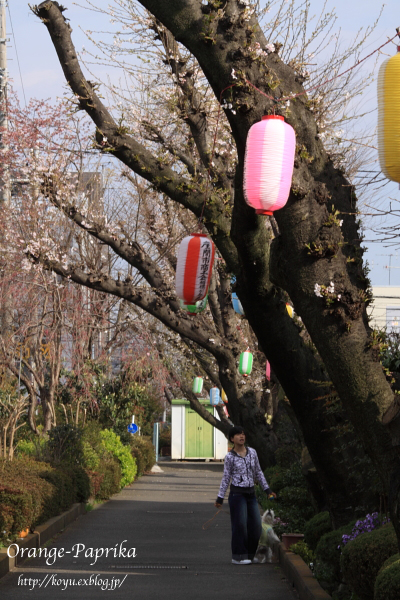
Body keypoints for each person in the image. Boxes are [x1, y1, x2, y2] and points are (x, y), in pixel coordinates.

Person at [215, 425, 277, 565]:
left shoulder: (252, 453)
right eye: (238, 434)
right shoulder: (230, 457)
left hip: (251, 494)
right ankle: (238, 556)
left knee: (256, 525)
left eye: (243, 434)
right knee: (240, 525)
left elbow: (258, 472)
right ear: (232, 439)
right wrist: (220, 497)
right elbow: (226, 478)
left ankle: (249, 554)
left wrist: (267, 490)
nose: (241, 436)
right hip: (237, 495)